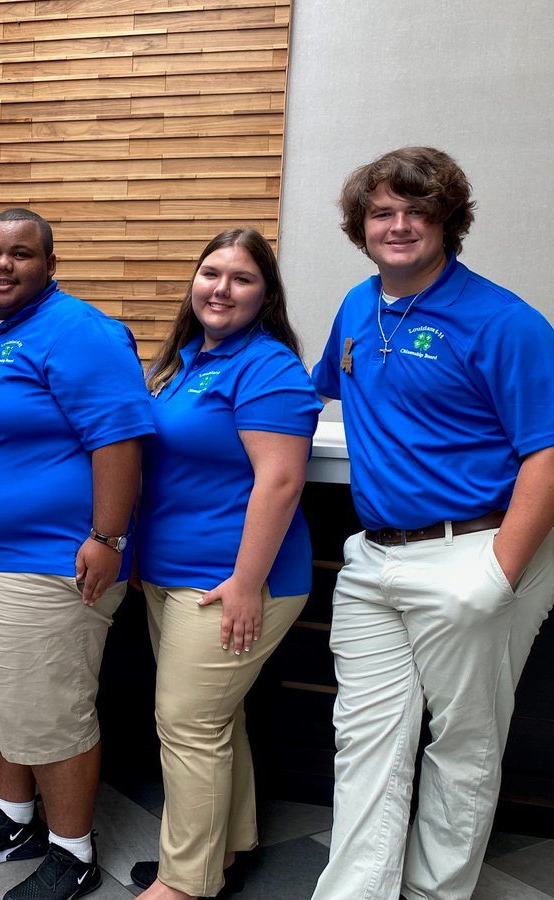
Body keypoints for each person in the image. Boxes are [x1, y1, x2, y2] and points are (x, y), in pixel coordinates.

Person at [310, 147, 554, 900]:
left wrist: (498, 576)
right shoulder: (358, 306)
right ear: (360, 226)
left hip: (474, 552)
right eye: (382, 212)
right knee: (365, 742)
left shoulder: (505, 322)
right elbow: (316, 392)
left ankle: (433, 893)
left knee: (464, 746)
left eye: (418, 211)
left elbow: (547, 453)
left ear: (449, 221)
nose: (399, 225)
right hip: (375, 559)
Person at [0, 208, 154, 899]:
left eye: (21, 253)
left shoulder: (80, 332)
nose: (3, 264)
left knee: (50, 716)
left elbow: (119, 442)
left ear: (51, 264)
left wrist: (108, 539)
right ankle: (15, 815)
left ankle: (73, 851)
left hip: (37, 570)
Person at [127, 229, 320, 899]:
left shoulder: (268, 367)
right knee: (214, 720)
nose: (221, 288)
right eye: (211, 273)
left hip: (230, 580)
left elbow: (280, 482)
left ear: (266, 295)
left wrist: (245, 583)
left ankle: (186, 883)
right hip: (172, 573)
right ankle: (227, 850)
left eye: (242, 278)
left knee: (188, 725)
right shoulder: (185, 362)